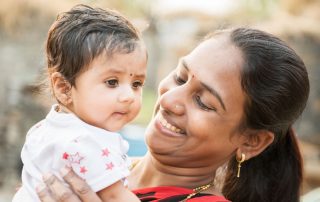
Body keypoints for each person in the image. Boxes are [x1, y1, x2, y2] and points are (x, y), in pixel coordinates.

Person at [35, 27, 309, 202]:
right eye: (180, 77)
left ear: (252, 141)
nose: (168, 100)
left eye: (203, 102)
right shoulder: (106, 168)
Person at [12, 4, 147, 202]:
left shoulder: (45, 129)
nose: (129, 96)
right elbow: (115, 197)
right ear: (64, 88)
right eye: (112, 82)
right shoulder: (86, 143)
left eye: (136, 84)